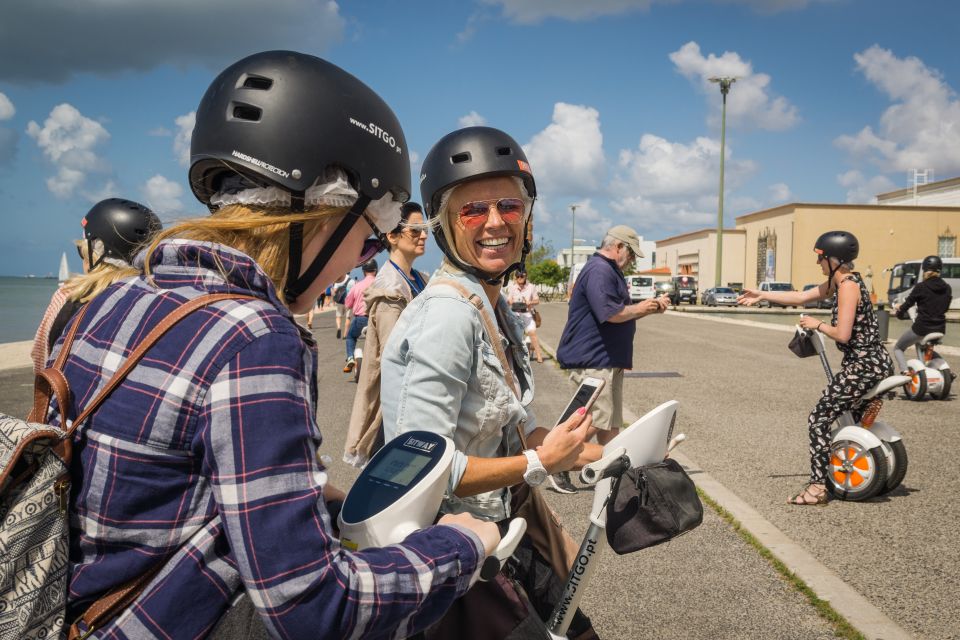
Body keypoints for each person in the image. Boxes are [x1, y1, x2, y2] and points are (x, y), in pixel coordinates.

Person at [47, 51, 499, 639]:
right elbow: (314, 606)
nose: (359, 260)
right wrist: (461, 543)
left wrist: (311, 498)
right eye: (365, 240)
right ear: (324, 209)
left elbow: (167, 493)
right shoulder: (253, 337)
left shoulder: (110, 301)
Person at [381, 126, 600, 639]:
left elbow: (501, 428)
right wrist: (540, 462)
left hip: (505, 529)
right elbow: (423, 469)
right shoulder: (448, 316)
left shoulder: (490, 303)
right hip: (461, 553)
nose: (496, 222)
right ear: (443, 225)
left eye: (510, 206)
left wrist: (587, 448)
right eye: (473, 210)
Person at [738, 230, 894, 506]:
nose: (818, 263)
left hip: (863, 366)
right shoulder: (844, 281)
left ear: (834, 258)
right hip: (873, 362)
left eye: (820, 258)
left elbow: (843, 334)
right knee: (851, 419)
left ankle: (818, 488)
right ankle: (865, 475)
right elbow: (801, 296)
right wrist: (761, 294)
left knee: (818, 419)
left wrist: (816, 324)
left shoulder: (847, 287)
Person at [554, 225, 669, 493]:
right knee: (590, 421)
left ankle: (611, 476)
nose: (631, 261)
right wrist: (644, 307)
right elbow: (610, 313)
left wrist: (647, 309)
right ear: (619, 247)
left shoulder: (607, 271)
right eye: (631, 255)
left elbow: (618, 313)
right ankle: (555, 463)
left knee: (610, 425)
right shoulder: (600, 270)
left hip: (605, 359)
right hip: (594, 360)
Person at [31, 198, 161, 374]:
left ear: (99, 253)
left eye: (83, 252)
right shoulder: (160, 298)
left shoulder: (69, 296)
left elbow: (41, 359)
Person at [343, 201, 429, 467]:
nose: (424, 235)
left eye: (424, 229)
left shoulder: (419, 278)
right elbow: (394, 355)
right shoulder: (388, 288)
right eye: (415, 231)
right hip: (396, 404)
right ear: (392, 236)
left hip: (418, 394)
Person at [892, 255, 953, 374]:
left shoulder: (921, 287)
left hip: (922, 328)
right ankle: (947, 372)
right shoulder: (947, 288)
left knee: (898, 348)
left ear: (924, 270)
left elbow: (907, 304)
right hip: (940, 327)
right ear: (939, 270)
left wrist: (899, 309)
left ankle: (905, 372)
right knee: (925, 347)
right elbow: (945, 308)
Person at [342, 259, 377, 372]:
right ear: (376, 270)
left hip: (361, 319)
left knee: (351, 337)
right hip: (378, 319)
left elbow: (347, 304)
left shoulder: (357, 286)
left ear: (363, 271)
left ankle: (351, 358)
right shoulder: (381, 284)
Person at [506, 269, 544, 363]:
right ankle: (513, 357)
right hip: (516, 314)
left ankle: (539, 355)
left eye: (521, 276)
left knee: (532, 334)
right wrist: (510, 301)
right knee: (514, 336)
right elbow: (508, 299)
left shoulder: (531, 287)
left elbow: (537, 300)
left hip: (527, 314)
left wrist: (529, 302)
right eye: (518, 277)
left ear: (525, 276)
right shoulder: (512, 287)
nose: (519, 278)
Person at [330, 272, 352, 338]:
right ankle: (345, 334)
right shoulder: (351, 281)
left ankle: (339, 328)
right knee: (348, 317)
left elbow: (334, 291)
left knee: (338, 316)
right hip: (348, 301)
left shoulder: (338, 281)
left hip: (339, 301)